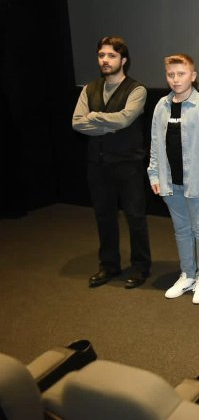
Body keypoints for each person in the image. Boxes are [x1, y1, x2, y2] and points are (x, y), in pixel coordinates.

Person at [72, 36, 152, 289]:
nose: (105, 60)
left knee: (135, 217)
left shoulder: (137, 89)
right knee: (104, 216)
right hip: (97, 164)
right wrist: (108, 125)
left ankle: (140, 267)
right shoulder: (89, 88)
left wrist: (94, 117)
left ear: (123, 60)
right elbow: (77, 122)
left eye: (111, 56)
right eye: (101, 55)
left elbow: (125, 119)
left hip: (128, 164)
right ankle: (109, 265)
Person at [147, 54, 199, 304]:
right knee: (181, 230)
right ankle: (187, 275)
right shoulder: (161, 106)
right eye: (171, 74)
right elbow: (155, 143)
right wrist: (153, 173)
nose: (176, 79)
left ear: (193, 76)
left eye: (181, 74)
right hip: (170, 182)